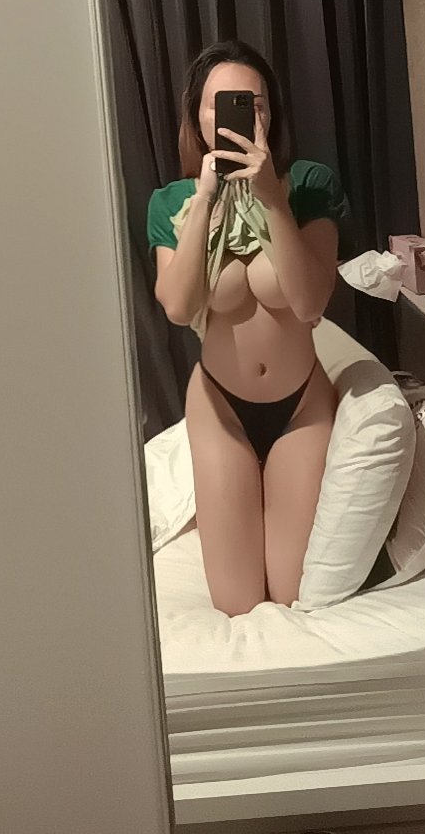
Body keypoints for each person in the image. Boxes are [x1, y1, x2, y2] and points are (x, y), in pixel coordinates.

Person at [147, 40, 352, 615]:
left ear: (270, 114)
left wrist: (271, 199)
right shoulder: (172, 202)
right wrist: (206, 197)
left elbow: (309, 302)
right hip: (220, 409)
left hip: (301, 406)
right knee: (236, 600)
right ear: (198, 117)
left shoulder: (308, 184)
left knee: (291, 592)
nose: (238, 116)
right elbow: (178, 307)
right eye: (220, 104)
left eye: (253, 104)